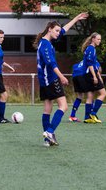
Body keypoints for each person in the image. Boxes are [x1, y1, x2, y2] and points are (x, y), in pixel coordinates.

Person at [34, 12, 88, 146]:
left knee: (47, 109)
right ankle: (50, 131)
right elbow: (51, 64)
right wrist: (62, 76)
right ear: (50, 29)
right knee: (63, 106)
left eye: (59, 31)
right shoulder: (45, 45)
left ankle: (48, 140)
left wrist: (76, 18)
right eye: (56, 30)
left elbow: (64, 30)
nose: (59, 33)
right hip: (50, 79)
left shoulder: (45, 42)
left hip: (44, 80)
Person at [81, 32, 106, 123]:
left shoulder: (90, 49)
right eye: (98, 39)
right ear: (93, 39)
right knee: (103, 93)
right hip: (90, 75)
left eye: (100, 39)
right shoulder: (91, 49)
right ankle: (93, 113)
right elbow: (90, 64)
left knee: (90, 96)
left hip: (87, 74)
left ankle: (87, 117)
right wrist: (95, 76)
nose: (99, 41)